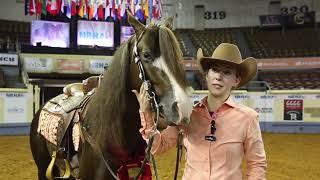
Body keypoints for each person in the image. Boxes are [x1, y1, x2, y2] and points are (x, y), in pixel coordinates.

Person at [132, 43, 267, 180]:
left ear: (236, 80)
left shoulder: (248, 118)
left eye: (227, 72)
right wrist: (147, 113)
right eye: (215, 70)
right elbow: (158, 147)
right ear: (207, 75)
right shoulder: (187, 114)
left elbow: (257, 164)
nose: (219, 77)